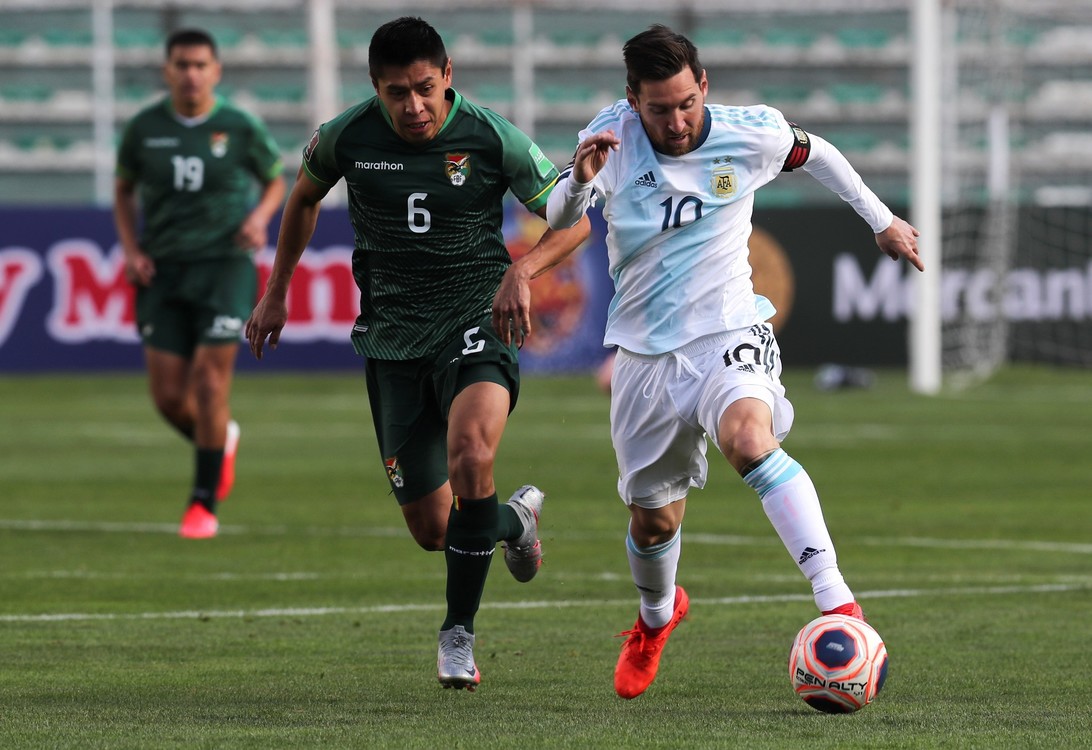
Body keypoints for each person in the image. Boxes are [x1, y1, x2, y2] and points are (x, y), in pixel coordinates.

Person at [546, 25, 924, 700]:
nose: (677, 119)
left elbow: (819, 154)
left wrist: (882, 220)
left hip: (728, 327)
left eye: (687, 102)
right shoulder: (606, 138)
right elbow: (557, 212)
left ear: (704, 87)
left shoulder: (749, 133)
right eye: (660, 108)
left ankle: (838, 602)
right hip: (642, 356)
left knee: (750, 438)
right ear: (632, 100)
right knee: (653, 519)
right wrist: (579, 182)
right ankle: (656, 619)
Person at [244, 17, 590, 691]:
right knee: (435, 528)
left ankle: (457, 633)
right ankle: (515, 519)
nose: (414, 107)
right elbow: (304, 197)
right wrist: (276, 290)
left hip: (474, 315)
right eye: (397, 93)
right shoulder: (347, 136)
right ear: (375, 88)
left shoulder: (492, 136)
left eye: (425, 89)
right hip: (393, 336)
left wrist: (522, 272)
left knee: (471, 454)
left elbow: (573, 220)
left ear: (448, 75)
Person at [114, 28, 286, 540]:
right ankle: (221, 440)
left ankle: (202, 504)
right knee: (169, 398)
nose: (191, 74)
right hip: (163, 270)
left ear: (216, 70)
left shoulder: (238, 126)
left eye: (199, 65)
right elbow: (123, 190)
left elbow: (276, 178)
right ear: (167, 70)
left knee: (211, 384)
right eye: (181, 65)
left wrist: (259, 217)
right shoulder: (144, 128)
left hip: (224, 266)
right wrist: (130, 248)